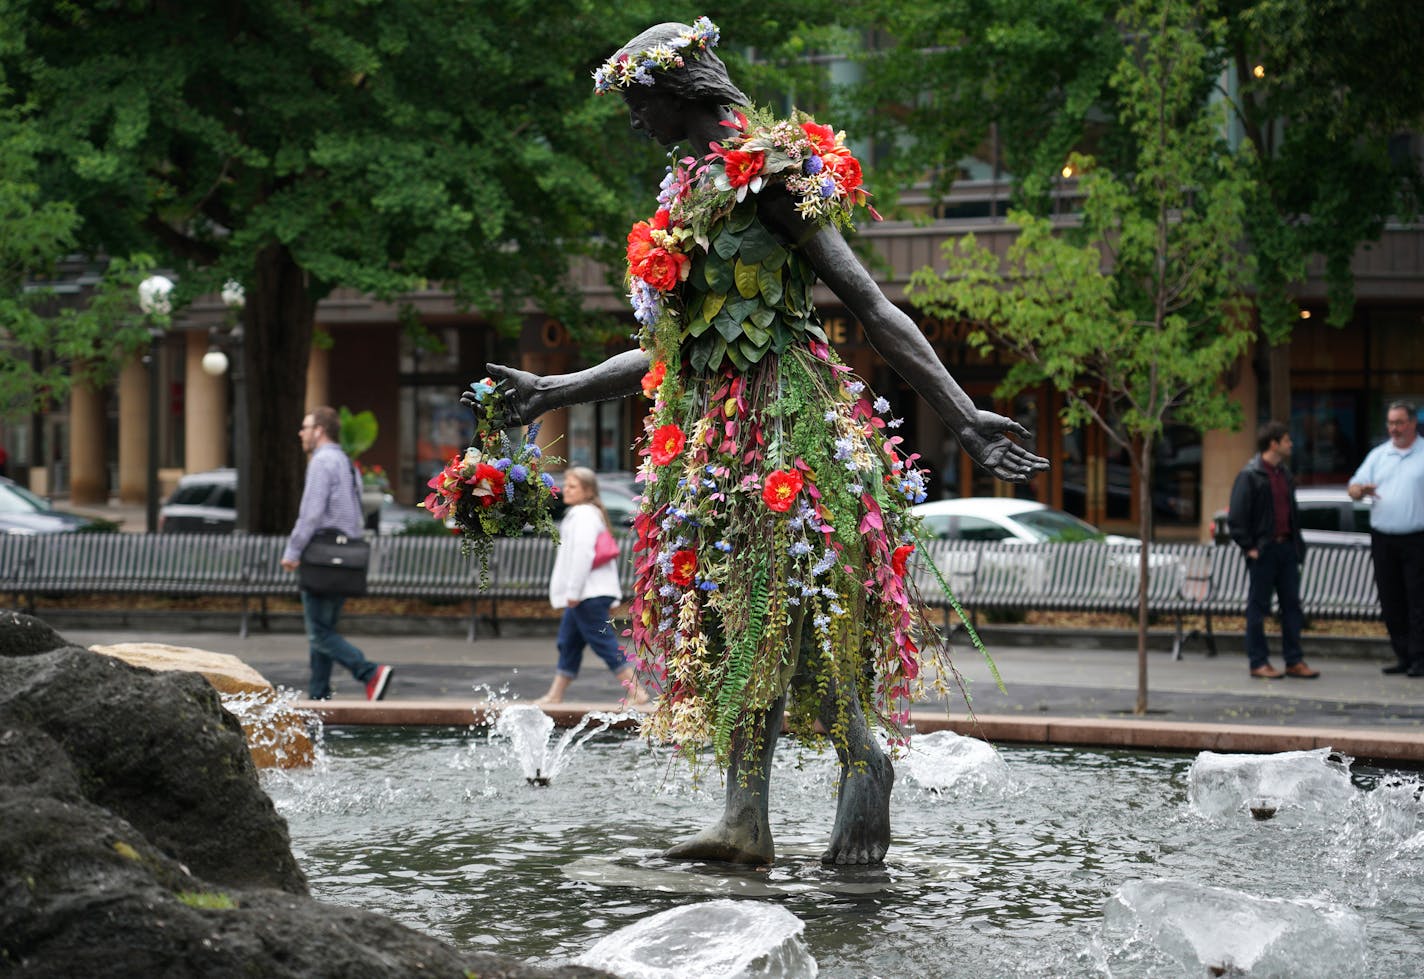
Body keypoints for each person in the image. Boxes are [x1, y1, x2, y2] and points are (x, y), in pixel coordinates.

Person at [464, 19, 1046, 866]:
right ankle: (755, 812)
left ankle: (839, 769)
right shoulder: (684, 196)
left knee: (781, 601)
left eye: (639, 103)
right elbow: (672, 350)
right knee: (734, 609)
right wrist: (556, 387)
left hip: (781, 423)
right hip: (706, 433)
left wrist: (961, 414)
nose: (634, 121)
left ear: (679, 89)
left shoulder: (769, 176)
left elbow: (872, 304)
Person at [281, 406, 393, 701]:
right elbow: (356, 514)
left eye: (305, 427)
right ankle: (318, 696)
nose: (301, 433)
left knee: (319, 633)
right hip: (344, 556)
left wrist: (293, 550)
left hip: (321, 554)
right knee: (324, 629)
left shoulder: (321, 462)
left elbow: (311, 513)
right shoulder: (346, 462)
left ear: (319, 430)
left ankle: (369, 672)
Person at [537, 467, 648, 705]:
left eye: (573, 486)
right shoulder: (583, 513)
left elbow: (583, 556)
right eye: (566, 484)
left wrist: (574, 593)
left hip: (587, 594)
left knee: (603, 643)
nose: (566, 489)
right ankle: (555, 694)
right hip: (587, 594)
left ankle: (637, 691)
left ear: (587, 491)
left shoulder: (584, 516)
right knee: (568, 643)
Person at [1227, 420, 1320, 680]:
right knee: (1258, 607)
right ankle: (1258, 662)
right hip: (1264, 551)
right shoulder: (1250, 475)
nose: (1292, 444)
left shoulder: (1284, 475)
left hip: (1286, 548)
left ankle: (1294, 660)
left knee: (1292, 606)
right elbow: (1236, 517)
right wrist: (1250, 547)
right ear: (1274, 443)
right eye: (1288, 440)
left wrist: (1296, 546)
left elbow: (1291, 513)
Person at [1348, 401, 1424, 676]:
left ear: (1413, 423)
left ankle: (1419, 657)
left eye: (1399, 423)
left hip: (1417, 539)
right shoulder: (1378, 455)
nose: (1394, 429)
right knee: (1391, 600)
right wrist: (1359, 490)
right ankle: (1403, 654)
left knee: (1417, 601)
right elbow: (1353, 488)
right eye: (1390, 423)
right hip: (1383, 539)